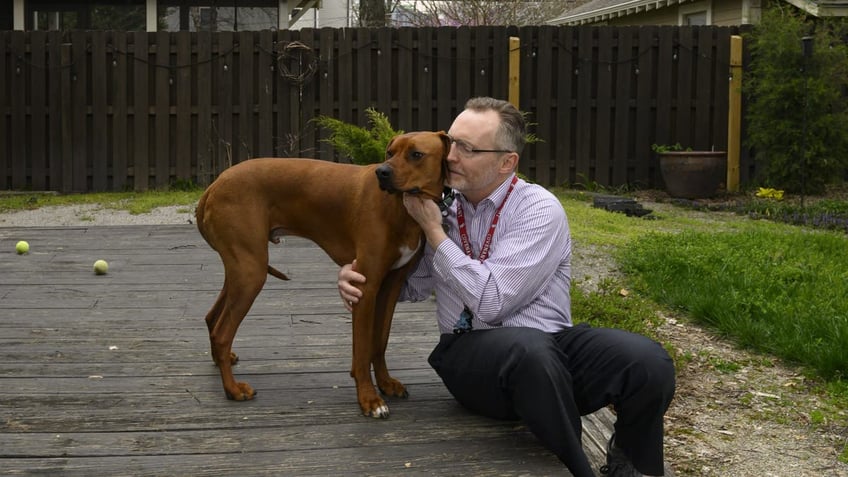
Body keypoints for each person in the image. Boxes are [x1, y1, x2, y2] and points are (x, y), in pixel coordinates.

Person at [338, 97, 675, 477]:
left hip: (550, 349)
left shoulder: (537, 209)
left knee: (647, 361)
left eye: (467, 148)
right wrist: (357, 281)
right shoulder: (438, 208)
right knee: (529, 351)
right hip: (470, 358)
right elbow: (411, 287)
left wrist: (435, 234)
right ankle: (579, 469)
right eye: (452, 142)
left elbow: (492, 301)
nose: (450, 156)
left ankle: (632, 464)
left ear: (506, 162)